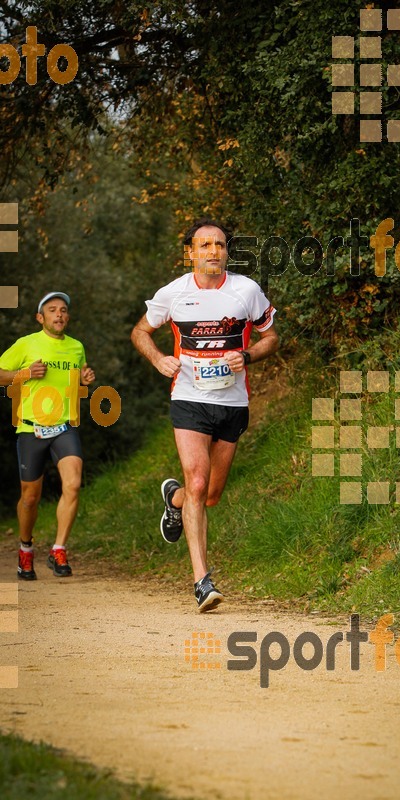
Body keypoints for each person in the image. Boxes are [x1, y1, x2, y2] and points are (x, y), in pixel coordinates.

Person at [131, 218, 278, 611]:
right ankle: (202, 581)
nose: (213, 251)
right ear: (191, 252)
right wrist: (159, 358)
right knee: (198, 481)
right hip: (188, 398)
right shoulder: (174, 293)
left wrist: (245, 355)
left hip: (232, 403)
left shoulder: (246, 291)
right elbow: (139, 332)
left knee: (209, 495)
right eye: (205, 245)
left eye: (220, 245)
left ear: (227, 251)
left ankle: (173, 499)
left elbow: (272, 338)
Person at [0, 292, 95, 580]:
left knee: (74, 484)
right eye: (52, 310)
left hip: (64, 427)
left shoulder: (76, 347)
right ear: (40, 318)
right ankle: (25, 550)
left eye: (63, 310)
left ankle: (58, 549)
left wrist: (84, 380)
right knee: (30, 498)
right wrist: (25, 372)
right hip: (31, 428)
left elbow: (78, 380)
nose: (59, 315)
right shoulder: (26, 344)